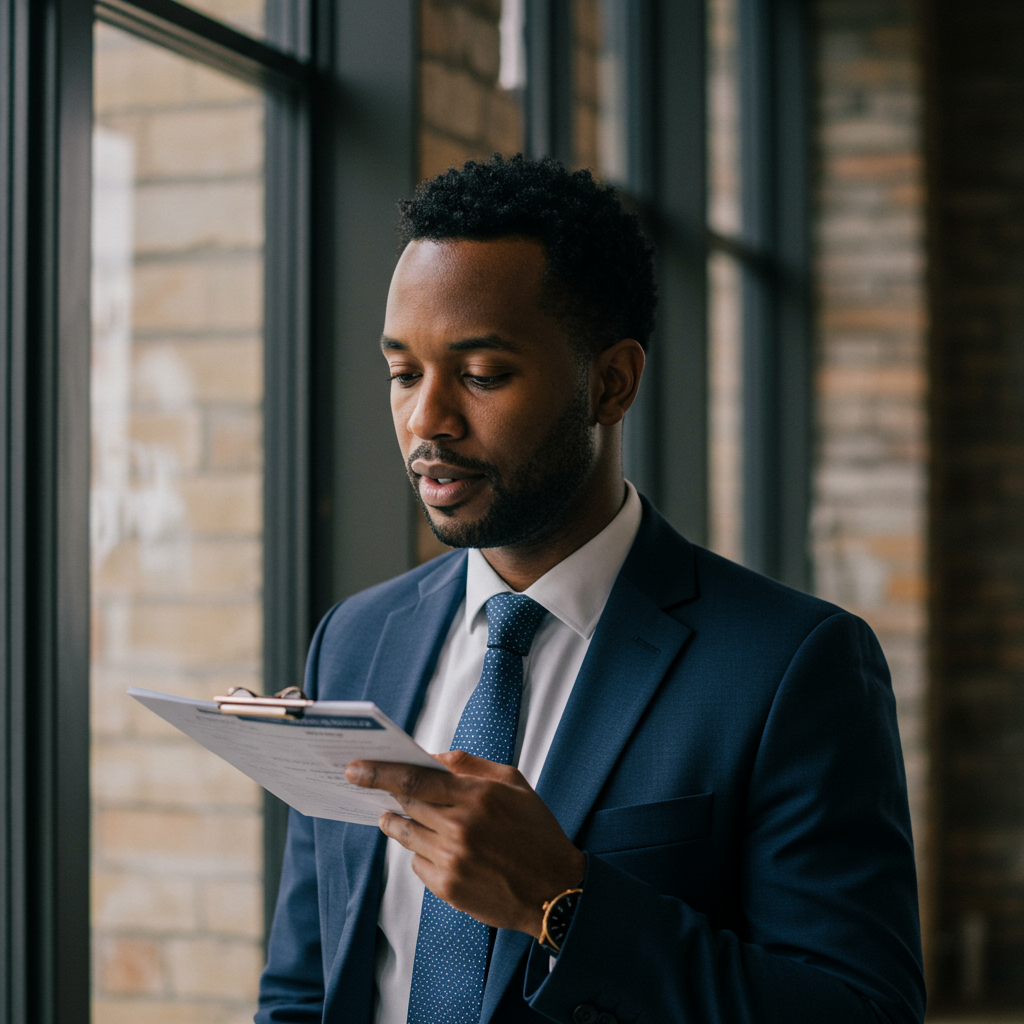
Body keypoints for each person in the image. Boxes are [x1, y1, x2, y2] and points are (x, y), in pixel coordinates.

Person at [256, 155, 925, 1024]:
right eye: (404, 373)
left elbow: (860, 1011)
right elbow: (308, 987)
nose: (427, 421)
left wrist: (561, 901)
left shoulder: (793, 667)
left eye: (483, 374)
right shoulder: (356, 637)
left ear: (611, 383)